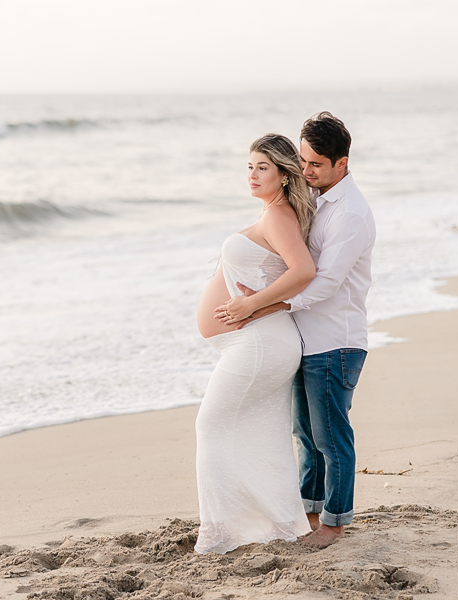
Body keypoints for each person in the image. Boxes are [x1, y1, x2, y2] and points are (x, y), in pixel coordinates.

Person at [218, 112, 376, 549]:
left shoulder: (351, 216)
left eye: (315, 165)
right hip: (306, 339)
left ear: (341, 164)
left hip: (336, 340)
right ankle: (309, 511)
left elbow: (324, 282)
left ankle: (334, 523)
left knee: (331, 437)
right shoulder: (317, 199)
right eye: (302, 162)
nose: (305, 172)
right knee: (306, 435)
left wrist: (264, 304)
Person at [193, 133, 316, 554]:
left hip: (259, 344)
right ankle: (280, 525)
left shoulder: (278, 216)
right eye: (249, 166)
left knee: (210, 425)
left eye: (262, 167)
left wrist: (251, 305)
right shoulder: (273, 214)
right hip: (260, 344)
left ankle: (220, 533)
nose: (252, 174)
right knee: (260, 435)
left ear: (284, 175)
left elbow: (304, 271)